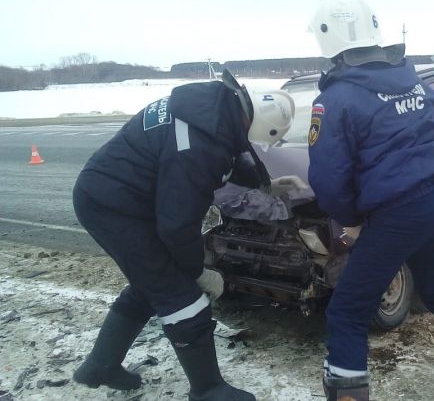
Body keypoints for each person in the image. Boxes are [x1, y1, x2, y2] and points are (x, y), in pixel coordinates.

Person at [307, 0, 434, 400]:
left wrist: (350, 218)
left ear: (330, 44)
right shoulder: (415, 83)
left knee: (348, 309)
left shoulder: (335, 99)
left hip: (397, 213)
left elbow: (328, 179)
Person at [71, 71, 295, 401]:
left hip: (117, 195)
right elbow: (177, 226)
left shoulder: (212, 108)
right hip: (114, 208)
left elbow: (232, 153)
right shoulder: (199, 148)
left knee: (152, 284)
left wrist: (265, 184)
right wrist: (198, 273)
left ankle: (100, 365)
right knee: (182, 294)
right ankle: (208, 390)